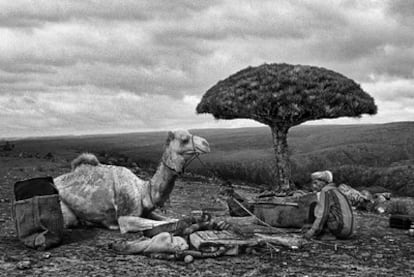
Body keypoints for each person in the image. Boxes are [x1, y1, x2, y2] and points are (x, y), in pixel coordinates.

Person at [304, 170, 354, 240]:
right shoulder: (335, 190)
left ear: (323, 182)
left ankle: (326, 233)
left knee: (315, 206)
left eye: (316, 183)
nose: (314, 186)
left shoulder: (326, 191)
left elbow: (323, 214)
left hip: (340, 229)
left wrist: (312, 231)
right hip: (349, 231)